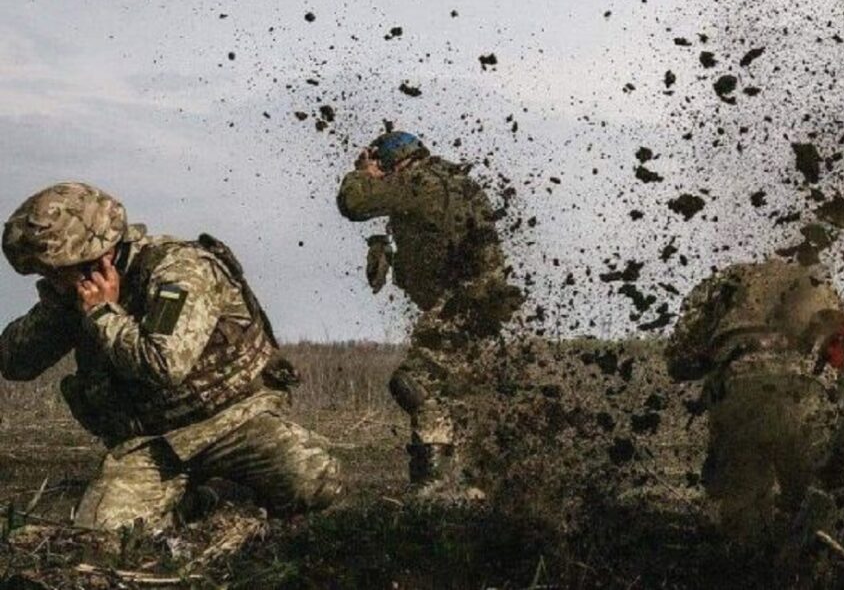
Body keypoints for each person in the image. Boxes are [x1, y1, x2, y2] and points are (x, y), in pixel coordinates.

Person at [0, 182, 342, 530]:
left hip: (234, 422)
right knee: (103, 532)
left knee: (313, 479)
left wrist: (104, 315)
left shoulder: (179, 271)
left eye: (56, 272)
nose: (52, 281)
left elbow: (163, 364)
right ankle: (197, 501)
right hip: (153, 445)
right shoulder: (77, 293)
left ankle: (225, 494)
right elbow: (14, 363)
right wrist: (61, 309)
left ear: (100, 257)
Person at [337, 131, 523, 496]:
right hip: (479, 306)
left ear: (395, 163)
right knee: (460, 393)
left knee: (416, 383)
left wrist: (361, 173)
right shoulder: (453, 181)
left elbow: (354, 204)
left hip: (463, 307)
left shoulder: (418, 181)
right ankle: (482, 480)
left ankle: (435, 483)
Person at [665, 258, 844, 546]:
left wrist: (711, 360)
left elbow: (678, 360)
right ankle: (814, 562)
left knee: (742, 503)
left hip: (740, 386)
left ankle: (750, 562)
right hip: (804, 391)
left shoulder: (726, 283)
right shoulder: (815, 283)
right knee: (813, 496)